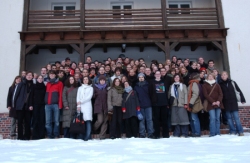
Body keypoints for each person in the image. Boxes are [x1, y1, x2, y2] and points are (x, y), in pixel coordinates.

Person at [219, 71, 246, 136]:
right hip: (226, 103)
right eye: (222, 75)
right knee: (229, 118)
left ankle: (240, 131)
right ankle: (232, 130)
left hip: (233, 102)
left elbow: (238, 90)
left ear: (227, 75)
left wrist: (242, 99)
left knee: (236, 117)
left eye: (224, 75)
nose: (223, 76)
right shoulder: (220, 84)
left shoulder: (232, 82)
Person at [13, 71, 34, 140]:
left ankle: (27, 136)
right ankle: (20, 136)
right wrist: (14, 105)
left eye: (30, 75)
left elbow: (32, 96)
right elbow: (16, 95)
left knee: (27, 122)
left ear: (32, 77)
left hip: (28, 106)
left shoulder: (33, 85)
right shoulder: (21, 84)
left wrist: (31, 105)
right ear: (25, 76)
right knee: (20, 122)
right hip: (20, 106)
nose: (29, 76)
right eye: (28, 75)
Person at [149, 71, 170, 139]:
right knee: (156, 120)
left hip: (164, 103)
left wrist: (167, 102)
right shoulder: (152, 82)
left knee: (164, 119)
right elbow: (150, 92)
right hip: (155, 104)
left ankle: (165, 134)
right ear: (154, 75)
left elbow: (167, 92)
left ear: (161, 75)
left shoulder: (164, 81)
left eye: (159, 74)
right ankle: (157, 134)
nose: (158, 75)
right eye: (156, 74)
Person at [134, 73, 155, 138]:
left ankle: (150, 133)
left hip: (148, 105)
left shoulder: (148, 85)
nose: (141, 78)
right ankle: (142, 133)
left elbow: (152, 94)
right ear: (138, 78)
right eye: (140, 77)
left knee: (149, 120)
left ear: (144, 78)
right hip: (140, 106)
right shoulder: (136, 87)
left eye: (142, 77)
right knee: (141, 120)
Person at [45, 70, 64, 139]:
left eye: (53, 74)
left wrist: (60, 104)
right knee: (48, 121)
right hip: (47, 105)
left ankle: (56, 135)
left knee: (57, 121)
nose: (52, 75)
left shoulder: (59, 83)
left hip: (56, 105)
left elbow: (61, 94)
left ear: (55, 75)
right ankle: (49, 135)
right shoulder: (47, 83)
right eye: (50, 74)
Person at [77, 76, 94, 141]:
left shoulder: (91, 88)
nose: (85, 80)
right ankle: (81, 136)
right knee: (81, 122)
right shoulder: (80, 88)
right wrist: (78, 106)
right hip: (81, 107)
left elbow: (89, 97)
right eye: (84, 79)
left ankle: (88, 136)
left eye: (86, 79)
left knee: (88, 121)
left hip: (87, 106)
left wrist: (81, 101)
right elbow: (78, 97)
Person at [187, 73, 203, 137]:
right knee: (192, 118)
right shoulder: (193, 83)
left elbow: (195, 94)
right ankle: (194, 132)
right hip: (193, 103)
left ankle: (197, 132)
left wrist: (191, 102)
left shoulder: (194, 83)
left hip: (194, 103)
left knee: (194, 118)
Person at [32, 75, 46, 140]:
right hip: (35, 105)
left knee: (42, 120)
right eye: (39, 78)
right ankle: (35, 135)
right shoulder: (34, 86)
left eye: (41, 78)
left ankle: (41, 135)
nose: (40, 79)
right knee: (35, 120)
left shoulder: (44, 87)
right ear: (37, 79)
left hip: (42, 105)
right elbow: (31, 96)